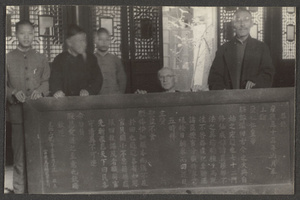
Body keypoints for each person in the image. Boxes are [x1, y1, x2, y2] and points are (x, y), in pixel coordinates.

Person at [6, 20, 50, 193]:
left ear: (34, 35)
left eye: (30, 33)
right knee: (19, 158)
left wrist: (40, 91)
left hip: (37, 116)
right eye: (23, 33)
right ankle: (18, 191)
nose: (26, 37)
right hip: (16, 116)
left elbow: (46, 83)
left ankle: (37, 191)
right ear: (16, 35)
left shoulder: (41, 58)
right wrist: (13, 93)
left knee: (38, 155)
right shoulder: (7, 58)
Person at [208, 9, 275, 90]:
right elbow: (214, 77)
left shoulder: (262, 48)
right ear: (233, 24)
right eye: (238, 20)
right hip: (229, 99)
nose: (242, 24)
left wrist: (256, 82)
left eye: (246, 20)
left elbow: (268, 73)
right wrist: (222, 91)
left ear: (251, 23)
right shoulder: (223, 49)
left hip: (253, 98)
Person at [49, 24, 103, 97]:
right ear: (69, 42)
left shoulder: (91, 58)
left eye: (84, 41)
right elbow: (54, 80)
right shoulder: (59, 60)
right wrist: (57, 90)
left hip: (86, 102)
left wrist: (89, 91)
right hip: (65, 102)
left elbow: (98, 80)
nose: (84, 44)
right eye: (80, 41)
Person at [94, 28, 127, 94]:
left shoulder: (115, 59)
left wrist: (119, 94)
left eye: (107, 39)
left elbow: (122, 79)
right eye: (100, 39)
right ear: (95, 41)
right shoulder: (92, 59)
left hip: (114, 97)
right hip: (97, 98)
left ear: (110, 41)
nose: (104, 42)